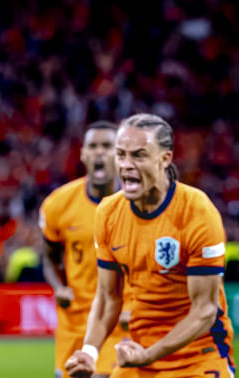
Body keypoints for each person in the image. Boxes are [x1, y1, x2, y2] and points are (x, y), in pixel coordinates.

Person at [64, 113, 235, 378]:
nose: (126, 165)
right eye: (121, 155)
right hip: (140, 355)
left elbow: (204, 311)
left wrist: (149, 354)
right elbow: (109, 297)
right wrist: (90, 352)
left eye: (139, 155)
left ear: (165, 159)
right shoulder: (108, 212)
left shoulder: (198, 212)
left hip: (199, 357)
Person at [39, 121, 130, 378]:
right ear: (82, 154)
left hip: (117, 319)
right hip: (74, 320)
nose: (99, 152)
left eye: (107, 146)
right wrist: (59, 287)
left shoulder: (135, 205)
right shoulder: (59, 203)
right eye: (93, 146)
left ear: (119, 154)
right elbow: (48, 257)